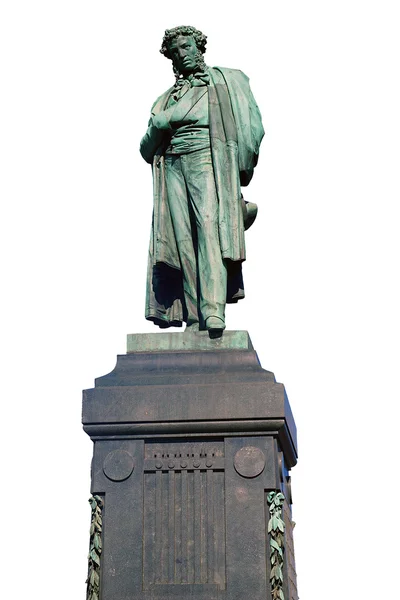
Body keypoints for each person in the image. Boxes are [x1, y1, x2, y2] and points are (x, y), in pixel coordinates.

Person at [140, 25, 264, 334]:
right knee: (182, 240)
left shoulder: (225, 81)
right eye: (176, 51)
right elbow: (144, 148)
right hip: (171, 164)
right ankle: (194, 316)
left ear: (199, 47)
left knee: (209, 229)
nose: (182, 54)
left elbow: (253, 126)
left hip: (206, 158)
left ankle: (213, 311)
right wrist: (160, 126)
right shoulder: (164, 100)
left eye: (187, 46)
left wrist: (238, 169)